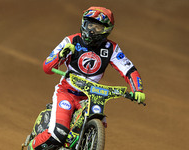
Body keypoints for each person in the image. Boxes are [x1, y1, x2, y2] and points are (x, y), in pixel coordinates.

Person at [28, 6, 145, 150]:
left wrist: (138, 89)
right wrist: (62, 54)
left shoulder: (111, 48)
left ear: (107, 30)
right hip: (67, 93)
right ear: (84, 23)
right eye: (90, 25)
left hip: (91, 98)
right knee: (58, 134)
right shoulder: (71, 40)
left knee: (99, 122)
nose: (92, 30)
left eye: (98, 27)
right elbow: (47, 68)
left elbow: (128, 69)